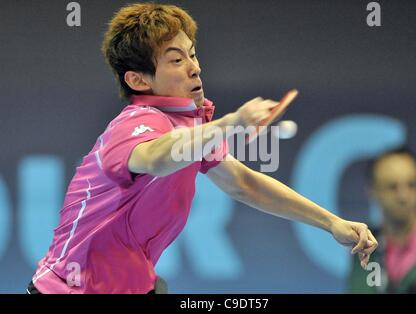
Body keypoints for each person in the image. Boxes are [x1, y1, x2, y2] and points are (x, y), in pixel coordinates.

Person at [28, 3, 377, 294]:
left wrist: (331, 222)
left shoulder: (189, 127)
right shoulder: (134, 124)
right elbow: (156, 157)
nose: (195, 67)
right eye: (176, 60)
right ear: (138, 79)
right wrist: (230, 124)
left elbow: (243, 183)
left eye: (192, 54)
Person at [348, 147, 416, 293]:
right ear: (372, 190)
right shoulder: (363, 245)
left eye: (411, 185)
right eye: (392, 187)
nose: (403, 196)